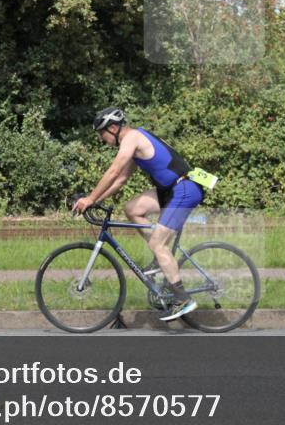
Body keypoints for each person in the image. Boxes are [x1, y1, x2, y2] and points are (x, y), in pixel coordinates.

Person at [72, 107, 203, 321]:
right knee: (132, 209)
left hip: (184, 189)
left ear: (113, 128)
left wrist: (89, 199)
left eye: (101, 134)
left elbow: (113, 171)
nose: (101, 139)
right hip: (171, 189)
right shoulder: (135, 139)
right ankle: (160, 260)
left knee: (158, 244)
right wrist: (95, 200)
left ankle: (183, 299)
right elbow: (120, 180)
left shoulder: (131, 138)